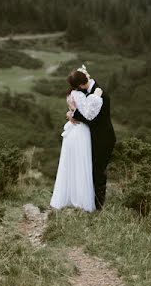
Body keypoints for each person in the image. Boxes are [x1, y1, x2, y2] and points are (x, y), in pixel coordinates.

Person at [49, 77, 103, 212]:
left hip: (72, 131)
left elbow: (74, 112)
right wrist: (96, 97)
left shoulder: (70, 94)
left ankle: (67, 197)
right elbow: (87, 114)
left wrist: (70, 114)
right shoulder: (78, 94)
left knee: (70, 163)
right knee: (80, 163)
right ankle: (81, 200)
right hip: (80, 131)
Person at [66, 65, 116, 210]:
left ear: (82, 84)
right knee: (90, 170)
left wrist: (73, 114)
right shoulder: (88, 90)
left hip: (104, 138)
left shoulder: (99, 94)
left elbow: (91, 118)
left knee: (98, 171)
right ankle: (89, 202)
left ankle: (98, 206)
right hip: (93, 138)